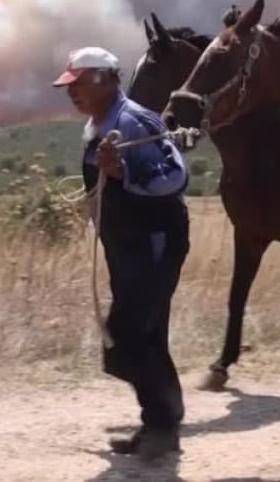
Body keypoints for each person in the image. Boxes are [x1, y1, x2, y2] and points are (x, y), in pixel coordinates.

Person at [51, 46, 191, 461]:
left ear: (105, 80)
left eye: (78, 85)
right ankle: (159, 426)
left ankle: (163, 427)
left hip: (154, 245)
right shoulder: (98, 124)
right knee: (134, 338)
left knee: (134, 337)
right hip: (127, 246)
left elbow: (176, 177)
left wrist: (123, 173)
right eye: (68, 88)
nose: (71, 94)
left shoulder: (134, 121)